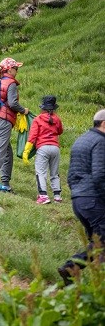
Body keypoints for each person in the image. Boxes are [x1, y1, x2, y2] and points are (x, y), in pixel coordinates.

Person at [57, 109, 105, 286]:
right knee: (102, 241)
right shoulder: (101, 142)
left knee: (98, 242)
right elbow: (100, 175)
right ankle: (71, 267)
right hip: (93, 199)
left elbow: (71, 175)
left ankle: (97, 285)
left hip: (79, 200)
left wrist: (78, 193)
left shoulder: (81, 140)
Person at [0, 57, 30, 192]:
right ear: (9, 69)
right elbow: (12, 103)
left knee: (6, 151)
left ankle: (5, 184)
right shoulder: (10, 83)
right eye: (15, 68)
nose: (17, 71)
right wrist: (24, 110)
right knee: (0, 150)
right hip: (2, 121)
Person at [22, 95, 64, 204]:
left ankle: (43, 196)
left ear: (42, 108)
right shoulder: (57, 119)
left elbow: (32, 137)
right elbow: (60, 131)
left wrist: (26, 151)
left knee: (41, 172)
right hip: (55, 148)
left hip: (43, 148)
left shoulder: (38, 119)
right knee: (54, 173)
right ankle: (57, 196)